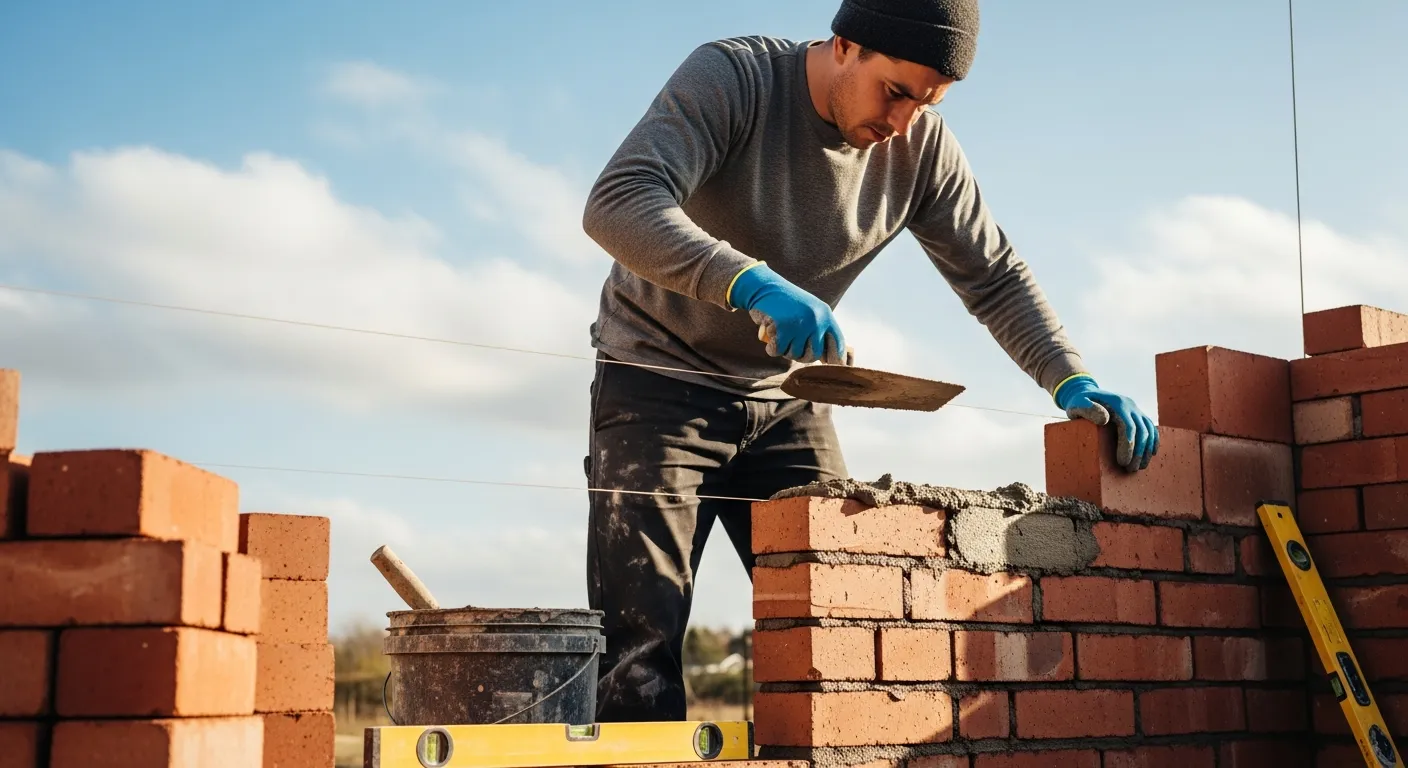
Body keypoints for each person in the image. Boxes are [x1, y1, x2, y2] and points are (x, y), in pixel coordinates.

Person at [578, 0, 1158, 722]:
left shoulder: (920, 150)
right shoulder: (735, 78)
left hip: (787, 400)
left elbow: (995, 276)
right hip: (659, 380)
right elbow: (617, 201)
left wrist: (1069, 375)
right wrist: (748, 281)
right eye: (896, 92)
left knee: (843, 618)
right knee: (641, 650)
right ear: (845, 45)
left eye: (929, 102)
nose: (904, 123)